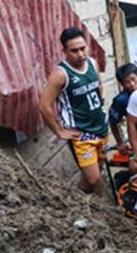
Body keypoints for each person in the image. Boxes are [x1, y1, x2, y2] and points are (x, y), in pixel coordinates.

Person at [38, 27, 110, 197]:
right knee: (95, 180)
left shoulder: (92, 63)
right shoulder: (61, 74)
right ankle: (104, 214)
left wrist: (100, 105)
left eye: (83, 48)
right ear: (64, 51)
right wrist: (59, 131)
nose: (80, 54)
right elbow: (44, 105)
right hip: (82, 134)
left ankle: (75, 202)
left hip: (101, 128)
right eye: (74, 50)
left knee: (97, 172)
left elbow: (99, 85)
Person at [108, 63, 137, 157]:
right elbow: (113, 122)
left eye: (133, 79)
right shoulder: (121, 100)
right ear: (122, 84)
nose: (132, 84)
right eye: (127, 82)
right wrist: (120, 142)